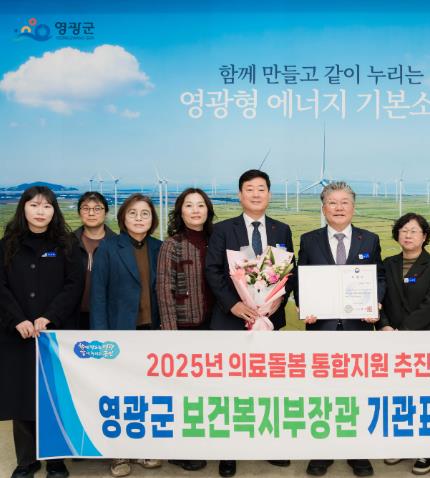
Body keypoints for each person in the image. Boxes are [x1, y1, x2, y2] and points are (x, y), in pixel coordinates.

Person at [205, 169, 294, 477]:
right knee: (231, 389)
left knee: (267, 387)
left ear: (269, 194)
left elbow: (288, 271)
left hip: (269, 321)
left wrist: (278, 300)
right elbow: (213, 271)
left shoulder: (282, 230)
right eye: (249, 189)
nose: (256, 194)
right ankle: (229, 452)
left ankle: (268, 445)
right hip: (232, 321)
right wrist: (234, 304)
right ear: (240, 195)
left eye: (261, 189)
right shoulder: (223, 230)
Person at [297, 181, 385, 477]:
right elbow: (300, 279)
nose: (338, 208)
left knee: (357, 393)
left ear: (353, 207)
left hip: (357, 329)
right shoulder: (309, 240)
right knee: (322, 394)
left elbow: (379, 277)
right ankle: (321, 452)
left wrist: (374, 303)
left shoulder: (369, 239)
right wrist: (304, 306)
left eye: (344, 202)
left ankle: (358, 453)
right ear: (323, 208)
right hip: (321, 329)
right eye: (332, 202)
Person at [0, 186, 84, 478]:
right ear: (23, 208)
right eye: (34, 205)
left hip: (54, 334)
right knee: (21, 396)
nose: (40, 211)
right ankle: (26, 461)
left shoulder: (66, 245)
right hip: (17, 334)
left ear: (54, 211)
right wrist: (17, 320)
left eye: (47, 206)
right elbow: (1, 288)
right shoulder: (7, 245)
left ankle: (55, 460)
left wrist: (50, 316)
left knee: (54, 397)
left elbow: (74, 285)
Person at [90, 193, 163, 477]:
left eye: (145, 213)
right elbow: (98, 296)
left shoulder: (158, 247)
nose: (139, 218)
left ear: (152, 219)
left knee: (146, 394)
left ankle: (144, 448)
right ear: (123, 217)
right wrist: (101, 337)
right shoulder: (108, 248)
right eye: (133, 213)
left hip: (151, 331)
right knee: (119, 393)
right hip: (119, 333)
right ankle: (119, 453)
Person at [379, 212, 430, 475]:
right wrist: (384, 324)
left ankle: (427, 451)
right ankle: (402, 445)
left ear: (424, 236)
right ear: (397, 235)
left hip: (424, 341)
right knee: (399, 396)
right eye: (404, 230)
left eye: (414, 231)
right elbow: (378, 298)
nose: (408, 235)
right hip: (392, 340)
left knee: (426, 398)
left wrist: (404, 330)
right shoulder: (388, 264)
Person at [157, 188, 215, 472]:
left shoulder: (216, 240)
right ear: (180, 211)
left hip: (214, 327)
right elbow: (164, 289)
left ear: (208, 210)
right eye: (189, 205)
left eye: (200, 205)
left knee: (206, 392)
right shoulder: (173, 244)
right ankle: (181, 450)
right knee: (183, 393)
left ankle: (204, 443)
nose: (195, 210)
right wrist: (171, 333)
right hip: (183, 328)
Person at [74, 191, 116, 329]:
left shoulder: (118, 244)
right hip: (73, 316)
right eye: (86, 208)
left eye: (97, 209)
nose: (91, 213)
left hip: (108, 316)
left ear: (106, 212)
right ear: (79, 213)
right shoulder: (67, 243)